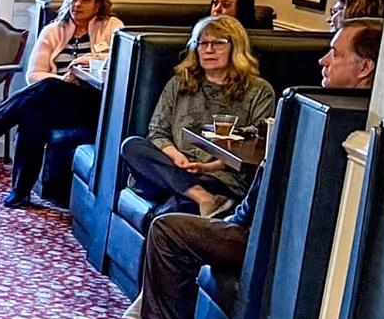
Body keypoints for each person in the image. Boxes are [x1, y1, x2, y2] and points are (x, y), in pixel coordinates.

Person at [124, 21, 381, 319]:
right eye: (203, 43)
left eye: (335, 54)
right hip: (233, 207)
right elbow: (158, 132)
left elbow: (264, 186)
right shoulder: (313, 107)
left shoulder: (321, 116)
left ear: (365, 67)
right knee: (152, 178)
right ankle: (198, 209)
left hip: (260, 231)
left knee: (168, 227)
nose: (323, 60)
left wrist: (230, 207)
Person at [0, 0, 124, 208]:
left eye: (85, 0)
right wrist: (62, 80)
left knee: (44, 94)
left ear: (98, 5)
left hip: (92, 101)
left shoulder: (112, 27)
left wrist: (86, 60)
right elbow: (34, 75)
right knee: (33, 115)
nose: (77, 5)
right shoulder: (54, 30)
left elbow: (118, 59)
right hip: (56, 100)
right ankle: (20, 191)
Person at [117, 16, 276, 217]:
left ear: (235, 47)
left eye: (217, 43)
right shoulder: (180, 82)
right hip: (171, 167)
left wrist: (208, 167)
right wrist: (178, 158)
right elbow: (157, 131)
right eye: (203, 43)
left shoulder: (259, 91)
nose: (208, 50)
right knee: (132, 146)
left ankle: (193, 197)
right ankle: (203, 198)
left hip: (219, 176)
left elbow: (256, 149)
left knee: (174, 211)